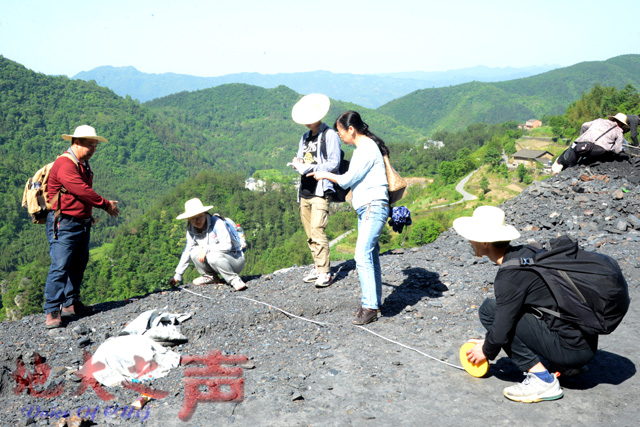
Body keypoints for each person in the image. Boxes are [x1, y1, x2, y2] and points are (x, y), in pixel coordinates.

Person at [453, 206, 597, 403]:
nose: (469, 241)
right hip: (584, 342)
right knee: (505, 314)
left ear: (485, 241)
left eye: (472, 237)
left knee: (490, 310)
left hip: (572, 350)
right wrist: (489, 341)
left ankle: (542, 381)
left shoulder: (509, 277)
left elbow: (502, 328)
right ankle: (566, 366)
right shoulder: (529, 253)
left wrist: (485, 350)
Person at [308, 111, 389, 325]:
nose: (339, 136)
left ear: (351, 129)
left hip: (372, 206)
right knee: (370, 256)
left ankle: (370, 306)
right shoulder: (368, 146)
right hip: (370, 207)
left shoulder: (365, 149)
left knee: (361, 255)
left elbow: (346, 180)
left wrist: (324, 174)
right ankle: (373, 303)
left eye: (340, 131)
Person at [44, 125, 120, 329]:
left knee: (78, 263)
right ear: (76, 143)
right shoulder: (65, 164)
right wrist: (105, 204)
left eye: (95, 145)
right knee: (60, 265)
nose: (93, 149)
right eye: (89, 145)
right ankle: (52, 309)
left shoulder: (82, 164)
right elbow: (81, 190)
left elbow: (84, 192)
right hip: (65, 223)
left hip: (81, 223)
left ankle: (70, 303)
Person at [290, 94, 341, 288]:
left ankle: (325, 272)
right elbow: (301, 158)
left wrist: (312, 168)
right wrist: (298, 164)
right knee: (310, 233)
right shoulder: (304, 138)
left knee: (318, 230)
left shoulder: (330, 135)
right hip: (304, 190)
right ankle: (318, 265)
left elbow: (334, 163)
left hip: (321, 190)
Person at [168, 198, 247, 291]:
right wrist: (177, 275)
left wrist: (207, 248)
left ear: (205, 214)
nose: (197, 221)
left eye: (200, 217)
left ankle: (234, 280)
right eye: (193, 219)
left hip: (235, 260)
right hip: (217, 263)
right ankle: (211, 277)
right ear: (189, 220)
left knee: (212, 255)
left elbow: (227, 246)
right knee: (194, 252)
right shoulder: (191, 230)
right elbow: (187, 251)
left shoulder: (217, 223)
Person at [552, 113, 628, 173]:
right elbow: (617, 150)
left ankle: (570, 168)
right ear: (622, 124)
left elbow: (584, 125)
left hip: (582, 146)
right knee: (604, 152)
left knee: (575, 151)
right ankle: (587, 165)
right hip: (598, 151)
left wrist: (582, 136)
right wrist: (612, 148)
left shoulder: (599, 121)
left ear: (613, 118)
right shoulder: (619, 131)